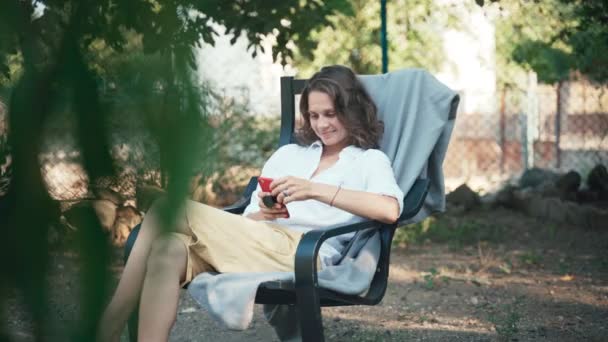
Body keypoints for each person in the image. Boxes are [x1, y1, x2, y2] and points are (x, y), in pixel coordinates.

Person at [97, 65, 404, 342]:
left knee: (167, 208)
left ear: (351, 110)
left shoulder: (368, 160)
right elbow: (247, 221)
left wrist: (315, 190)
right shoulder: (290, 155)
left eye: (330, 114)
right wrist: (263, 213)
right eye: (314, 115)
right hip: (259, 242)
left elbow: (389, 210)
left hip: (307, 252)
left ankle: (110, 323)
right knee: (167, 248)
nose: (322, 124)